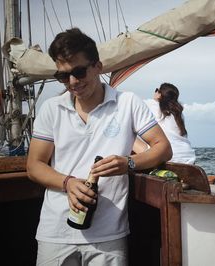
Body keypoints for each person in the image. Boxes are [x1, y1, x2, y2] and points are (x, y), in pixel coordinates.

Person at [26, 28, 172, 265]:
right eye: (63, 76)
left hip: (109, 235)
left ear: (98, 66)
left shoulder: (127, 103)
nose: (72, 82)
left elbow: (163, 147)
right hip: (55, 233)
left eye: (79, 72)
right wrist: (68, 183)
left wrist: (130, 163)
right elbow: (34, 165)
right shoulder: (51, 109)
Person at [133, 82, 196, 164]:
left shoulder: (150, 105)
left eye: (156, 90)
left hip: (165, 156)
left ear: (159, 94)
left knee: (128, 133)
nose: (155, 92)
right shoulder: (178, 113)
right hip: (188, 157)